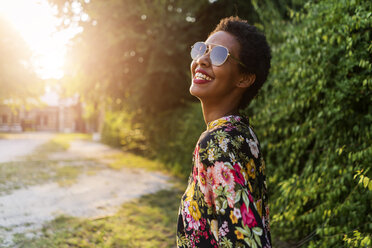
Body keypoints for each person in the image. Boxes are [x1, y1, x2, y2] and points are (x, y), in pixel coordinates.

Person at [177, 16, 272, 248]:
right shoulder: (242, 134)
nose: (202, 60)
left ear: (244, 78)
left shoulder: (217, 143)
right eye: (202, 49)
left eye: (219, 55)